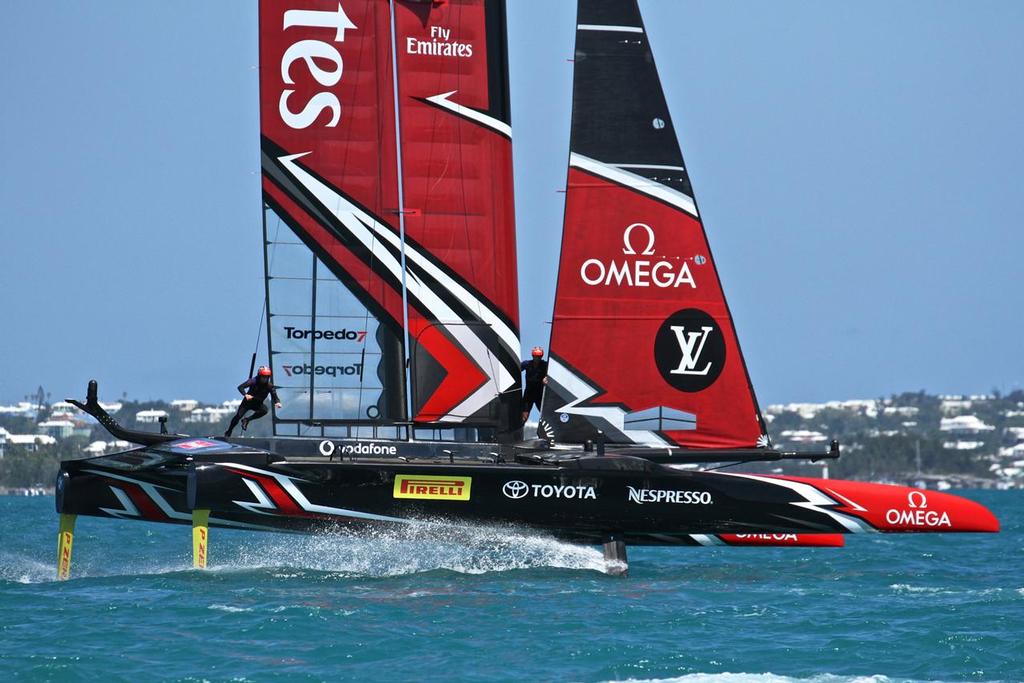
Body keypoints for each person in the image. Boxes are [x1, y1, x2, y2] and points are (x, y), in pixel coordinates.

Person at [224, 366, 282, 437]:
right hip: (247, 403)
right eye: (263, 377)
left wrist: (277, 402)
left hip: (258, 404)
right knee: (238, 416)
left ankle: (247, 420)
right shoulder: (253, 381)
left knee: (264, 410)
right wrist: (245, 395)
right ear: (259, 376)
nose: (265, 379)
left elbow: (275, 396)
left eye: (267, 377)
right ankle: (229, 431)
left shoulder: (269, 386)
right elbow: (240, 387)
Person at [520, 346, 548, 425]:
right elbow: (515, 369)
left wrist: (547, 377)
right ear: (532, 356)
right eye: (535, 356)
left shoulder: (545, 365)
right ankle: (517, 433)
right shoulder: (527, 364)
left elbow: (554, 373)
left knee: (546, 415)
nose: (537, 358)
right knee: (524, 416)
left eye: (539, 356)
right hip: (529, 394)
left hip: (540, 394)